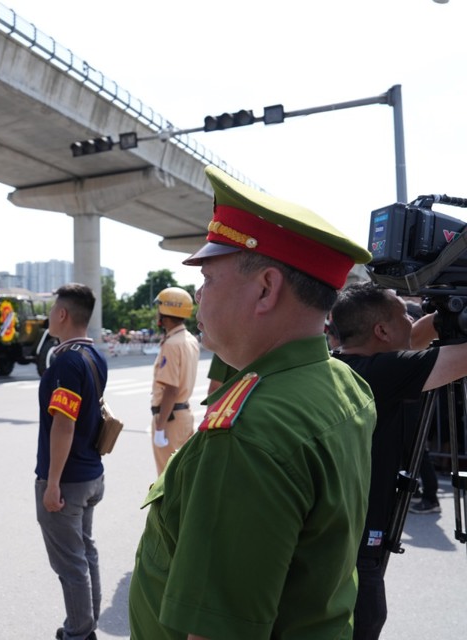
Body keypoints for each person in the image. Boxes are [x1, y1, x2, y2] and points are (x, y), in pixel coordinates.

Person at [128, 165, 376, 640]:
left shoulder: (248, 434)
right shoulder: (343, 382)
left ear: (265, 289)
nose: (199, 297)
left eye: (209, 280)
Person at [330, 282, 467, 639]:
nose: (412, 317)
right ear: (381, 331)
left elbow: (415, 338)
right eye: (404, 313)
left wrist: (446, 314)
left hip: (339, 546)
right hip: (356, 557)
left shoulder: (342, 366)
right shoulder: (382, 374)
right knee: (365, 622)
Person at [35, 283, 107, 640]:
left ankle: (79, 633)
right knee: (85, 553)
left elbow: (64, 425)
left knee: (71, 563)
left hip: (68, 481)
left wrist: (51, 484)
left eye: (52, 309)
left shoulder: (67, 361)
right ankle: (87, 623)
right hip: (91, 474)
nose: (50, 315)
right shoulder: (95, 355)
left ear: (62, 314)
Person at [149, 287, 200, 474]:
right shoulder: (189, 339)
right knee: (183, 475)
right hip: (184, 415)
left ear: (166, 312)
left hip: (170, 419)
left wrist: (160, 427)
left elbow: (171, 389)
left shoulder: (172, 344)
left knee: (167, 479)